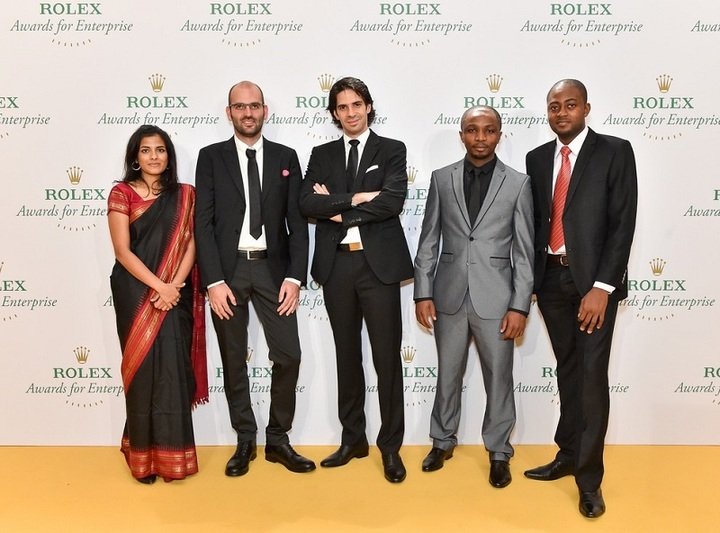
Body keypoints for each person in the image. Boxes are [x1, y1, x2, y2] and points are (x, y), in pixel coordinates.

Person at [524, 79, 638, 518]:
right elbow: (536, 223)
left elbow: (622, 222)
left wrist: (602, 288)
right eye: (553, 106)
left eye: (570, 105)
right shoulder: (536, 159)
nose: (561, 113)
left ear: (586, 108)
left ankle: (589, 482)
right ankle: (567, 454)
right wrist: (531, 282)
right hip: (550, 281)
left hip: (593, 285)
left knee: (591, 378)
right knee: (568, 371)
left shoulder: (615, 150)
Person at [194, 81, 314, 476]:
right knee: (233, 358)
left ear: (265, 111)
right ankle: (245, 438)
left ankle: (278, 439)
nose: (248, 113)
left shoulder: (286, 157)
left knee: (289, 355)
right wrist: (213, 281)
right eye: (240, 107)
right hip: (227, 274)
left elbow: (297, 224)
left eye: (255, 106)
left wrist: (296, 276)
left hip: (272, 271)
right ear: (229, 113)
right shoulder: (211, 157)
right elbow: (204, 224)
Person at [299, 76, 413, 483]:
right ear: (334, 113)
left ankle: (390, 448)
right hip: (337, 268)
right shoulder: (321, 153)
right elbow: (307, 201)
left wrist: (339, 208)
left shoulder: (392, 149)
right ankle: (353, 440)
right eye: (342, 107)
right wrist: (359, 197)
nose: (350, 112)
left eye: (356, 104)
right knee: (347, 357)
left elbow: (392, 201)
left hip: (377, 267)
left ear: (368, 106)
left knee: (386, 361)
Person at [414, 106, 534, 488]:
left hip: (497, 300)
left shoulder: (518, 183)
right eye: (472, 130)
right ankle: (442, 440)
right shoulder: (441, 179)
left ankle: (499, 451)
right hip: (448, 295)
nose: (480, 137)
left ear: (499, 135)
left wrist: (519, 305)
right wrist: (422, 292)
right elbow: (428, 240)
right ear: (461, 135)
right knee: (447, 374)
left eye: (489, 130)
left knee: (499, 377)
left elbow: (525, 252)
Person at [108, 124, 208, 484]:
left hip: (174, 294)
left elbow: (192, 243)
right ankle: (142, 460)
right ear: (135, 156)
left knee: (173, 376)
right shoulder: (121, 193)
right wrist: (158, 287)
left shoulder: (185, 194)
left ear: (169, 156)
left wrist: (174, 286)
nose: (154, 156)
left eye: (161, 150)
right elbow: (122, 252)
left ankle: (172, 459)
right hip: (136, 294)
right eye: (147, 150)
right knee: (144, 375)